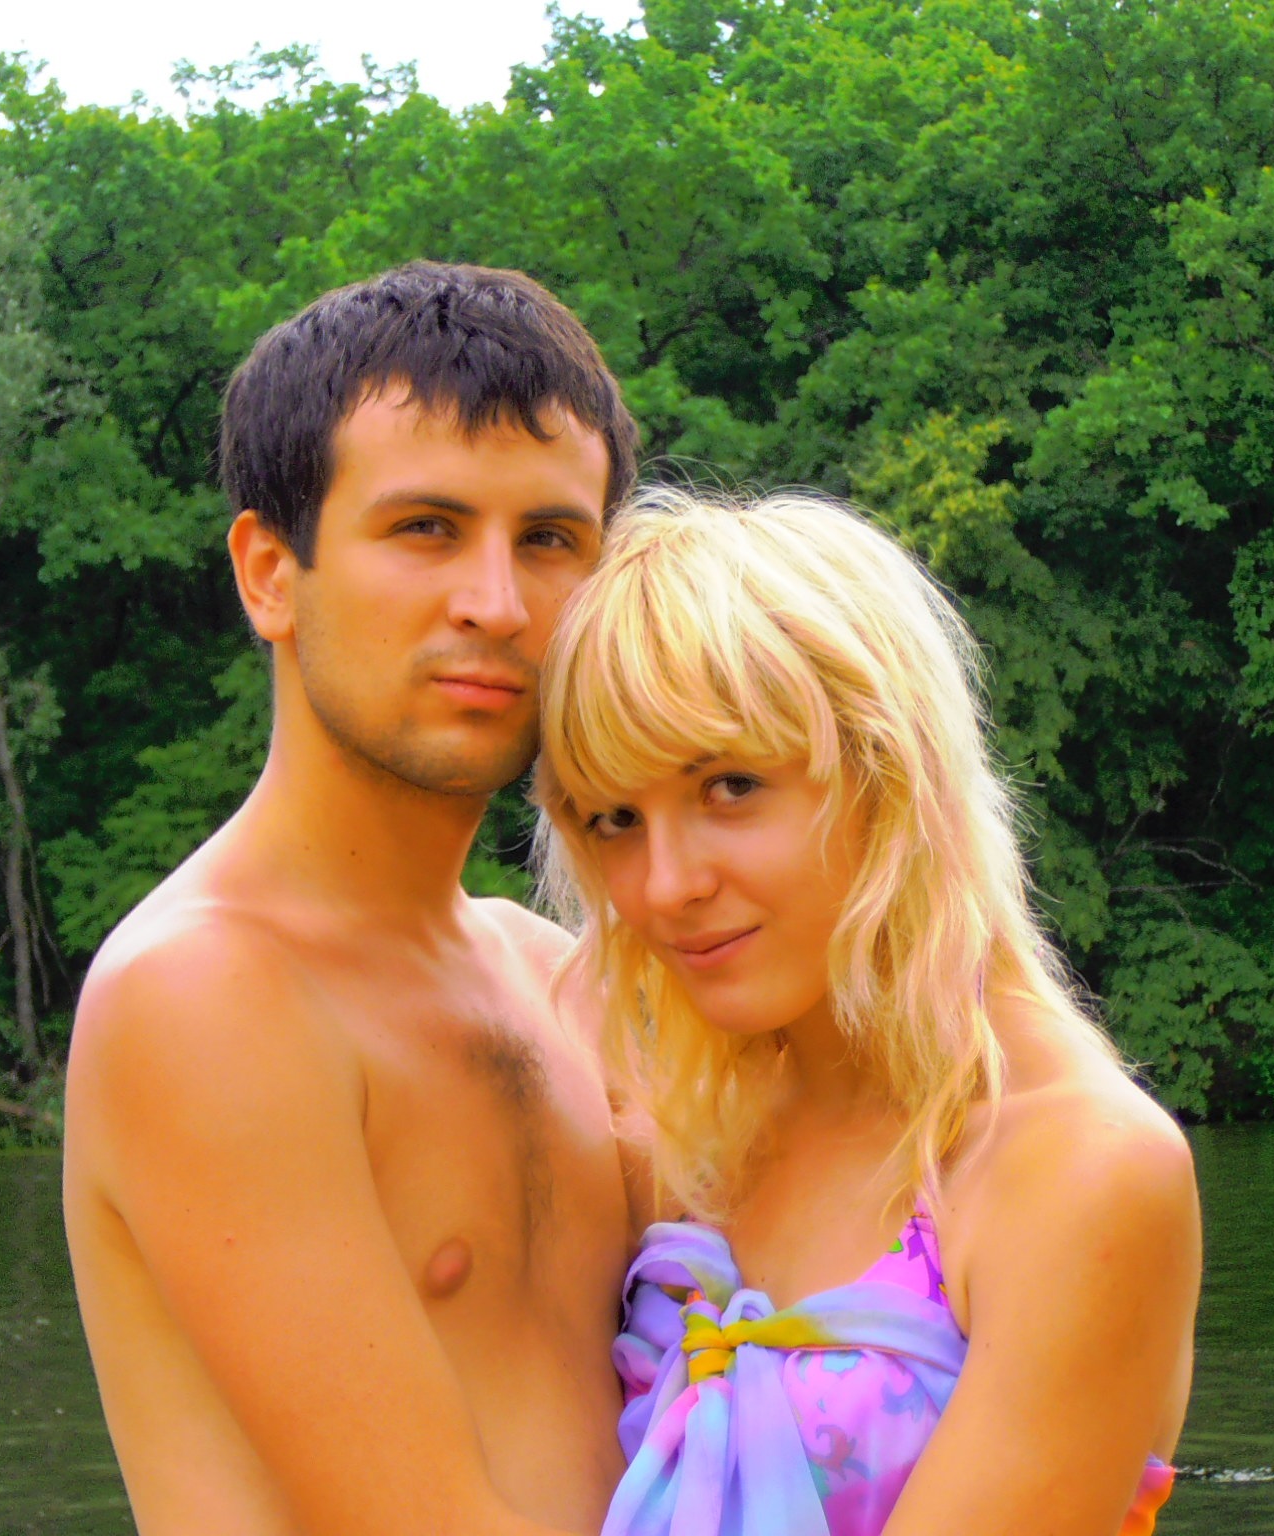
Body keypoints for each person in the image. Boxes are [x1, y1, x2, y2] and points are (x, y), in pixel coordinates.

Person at [63, 262, 641, 1536]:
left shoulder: (554, 972)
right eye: (425, 528)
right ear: (270, 574)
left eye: (549, 540)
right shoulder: (206, 994)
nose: (496, 603)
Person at [533, 488, 1203, 1536]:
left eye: (729, 788)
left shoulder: (1079, 1171)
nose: (663, 886)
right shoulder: (684, 1146)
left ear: (888, 770)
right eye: (615, 818)